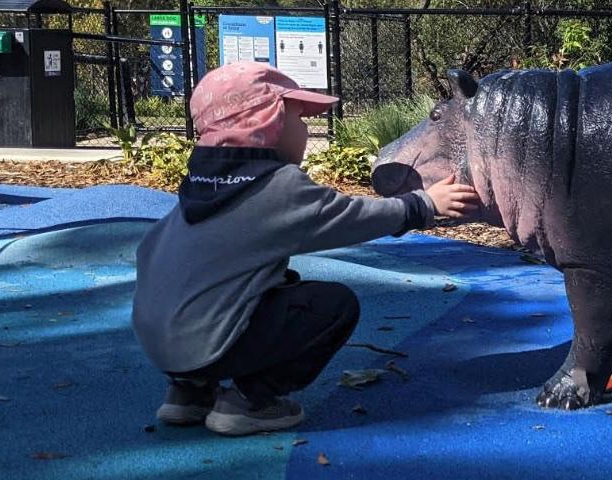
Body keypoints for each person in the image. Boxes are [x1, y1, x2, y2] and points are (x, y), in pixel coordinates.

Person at [130, 62, 479, 436]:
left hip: (159, 342)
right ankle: (250, 401)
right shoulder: (274, 186)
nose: (306, 131)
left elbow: (150, 251)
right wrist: (422, 205)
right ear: (268, 122)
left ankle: (189, 393)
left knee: (266, 283)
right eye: (300, 119)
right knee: (331, 307)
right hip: (208, 342)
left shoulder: (200, 186)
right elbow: (348, 217)